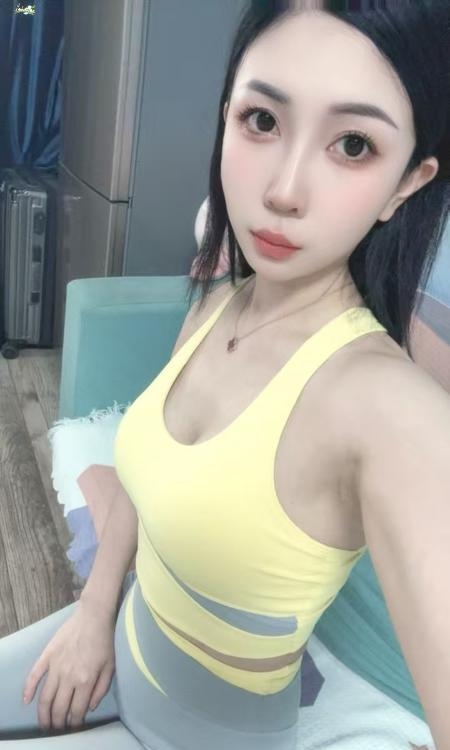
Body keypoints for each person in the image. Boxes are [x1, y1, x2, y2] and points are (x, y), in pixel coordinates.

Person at [1, 1, 449, 748]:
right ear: (226, 119)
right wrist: (93, 614)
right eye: (262, 121)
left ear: (407, 183)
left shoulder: (385, 405)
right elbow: (143, 482)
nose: (284, 190)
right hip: (119, 638)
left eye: (353, 144)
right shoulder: (217, 305)